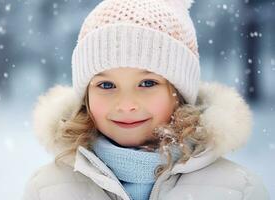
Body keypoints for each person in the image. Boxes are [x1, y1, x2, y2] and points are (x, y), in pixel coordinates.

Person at [22, 0, 269, 199]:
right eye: (106, 85)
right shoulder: (47, 190)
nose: (126, 104)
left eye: (148, 83)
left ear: (179, 93)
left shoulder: (237, 190)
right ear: (86, 97)